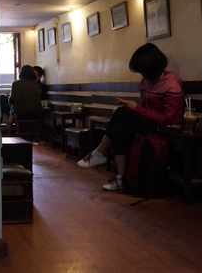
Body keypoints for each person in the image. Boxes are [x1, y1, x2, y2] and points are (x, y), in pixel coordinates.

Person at [76, 43, 184, 192]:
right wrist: (135, 109)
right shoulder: (145, 82)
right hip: (150, 123)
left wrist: (135, 108)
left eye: (143, 71)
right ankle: (121, 178)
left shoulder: (171, 83)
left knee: (122, 112)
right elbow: (145, 110)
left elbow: (169, 119)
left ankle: (99, 152)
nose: (142, 75)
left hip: (165, 128)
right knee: (119, 128)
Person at [7, 65, 44, 132]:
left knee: (13, 106)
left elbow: (11, 101)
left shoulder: (15, 84)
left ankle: (9, 126)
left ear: (21, 73)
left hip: (21, 114)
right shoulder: (35, 84)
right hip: (35, 113)